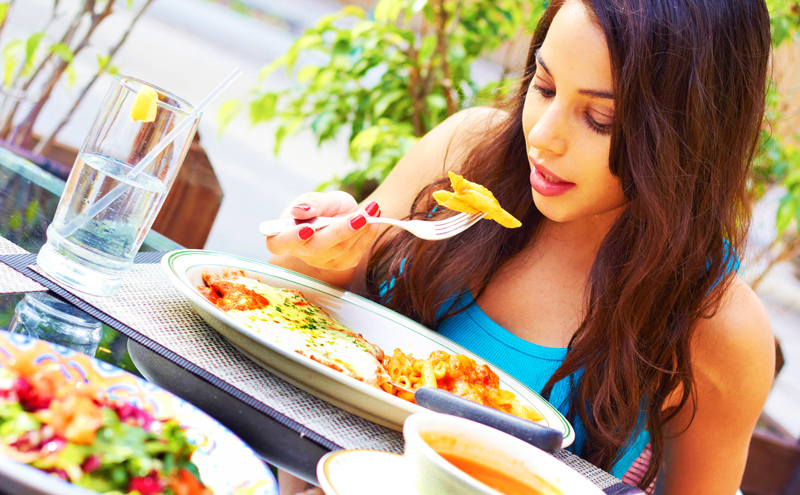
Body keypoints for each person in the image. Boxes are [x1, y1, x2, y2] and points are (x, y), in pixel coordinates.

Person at [268, 0, 775, 492]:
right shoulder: (468, 153)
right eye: (545, 85)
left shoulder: (717, 323)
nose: (543, 136)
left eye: (600, 119)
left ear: (690, 136)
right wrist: (326, 255)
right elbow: (292, 318)